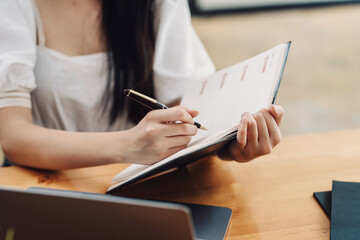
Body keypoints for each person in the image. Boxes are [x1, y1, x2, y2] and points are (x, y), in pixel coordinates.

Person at [0, 0, 284, 170]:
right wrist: (128, 145)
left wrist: (227, 146)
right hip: (49, 184)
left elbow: (188, 106)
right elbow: (14, 137)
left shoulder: (156, 4)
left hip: (142, 183)